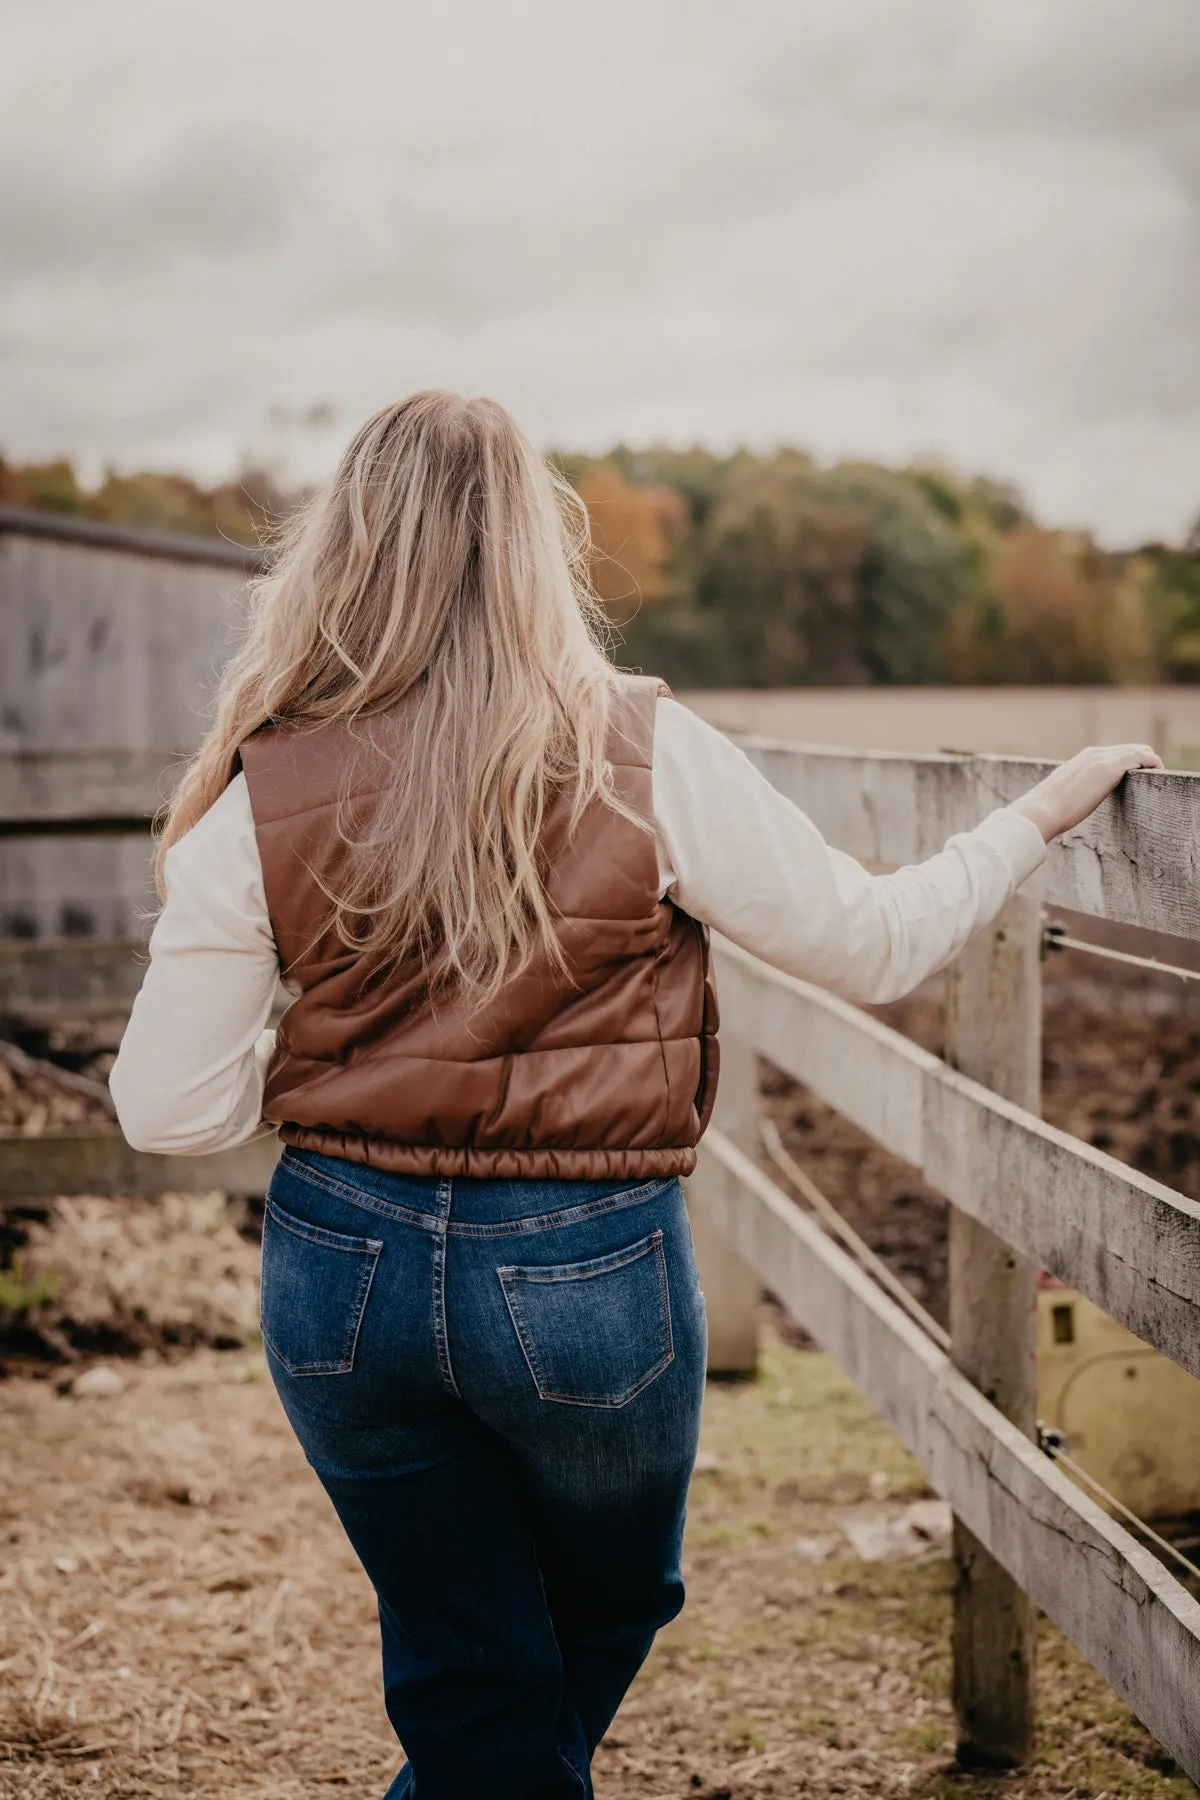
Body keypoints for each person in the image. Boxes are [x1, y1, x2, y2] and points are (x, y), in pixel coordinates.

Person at [109, 392, 1162, 1799]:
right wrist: (1031, 819)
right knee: (592, 1619)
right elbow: (875, 942)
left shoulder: (265, 788)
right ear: (533, 546)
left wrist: (330, 1063)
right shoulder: (644, 752)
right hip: (583, 1260)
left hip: (338, 1259)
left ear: (342, 552)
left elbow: (168, 1110)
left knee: (465, 1658)